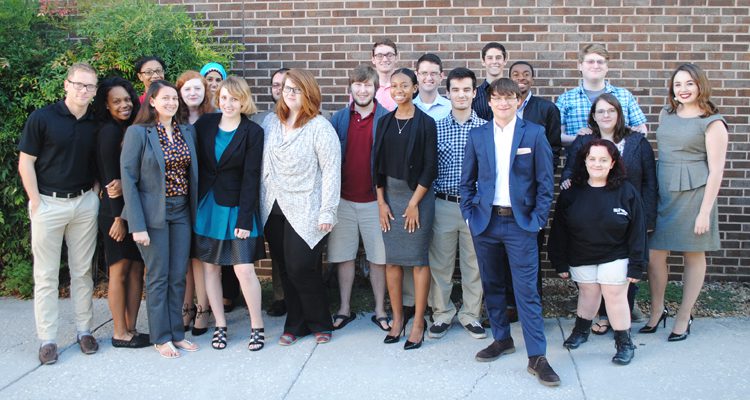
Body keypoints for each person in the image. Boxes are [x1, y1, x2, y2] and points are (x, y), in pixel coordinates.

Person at [459, 78, 559, 386]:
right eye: (498, 98)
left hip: (521, 224)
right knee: (492, 284)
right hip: (485, 222)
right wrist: (469, 216)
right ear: (489, 102)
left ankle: (537, 356)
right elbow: (467, 181)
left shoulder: (534, 133)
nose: (503, 103)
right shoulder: (478, 135)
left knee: (526, 290)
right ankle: (502, 339)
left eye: (509, 97)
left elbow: (545, 182)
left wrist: (538, 219)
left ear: (518, 101)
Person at [18, 63, 101, 365]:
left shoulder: (96, 122)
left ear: (95, 91)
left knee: (82, 271)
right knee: (46, 274)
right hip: (48, 203)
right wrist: (35, 201)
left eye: (90, 86)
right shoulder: (42, 118)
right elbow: (26, 162)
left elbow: (99, 160)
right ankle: (48, 339)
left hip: (84, 203)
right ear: (66, 85)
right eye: (79, 84)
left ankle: (84, 330)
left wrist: (94, 193)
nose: (83, 90)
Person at [561, 93, 657, 334]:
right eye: (601, 111)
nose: (606, 115)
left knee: (622, 273)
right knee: (592, 276)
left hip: (627, 215)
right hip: (594, 215)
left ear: (619, 114)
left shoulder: (637, 141)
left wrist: (647, 218)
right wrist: (566, 182)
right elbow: (571, 170)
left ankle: (618, 319)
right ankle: (598, 316)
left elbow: (650, 182)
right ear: (593, 115)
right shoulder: (584, 141)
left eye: (611, 110)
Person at [645, 63, 728, 341]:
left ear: (700, 85)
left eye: (689, 83)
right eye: (678, 84)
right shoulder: (666, 113)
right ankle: (657, 310)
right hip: (664, 189)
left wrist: (705, 212)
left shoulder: (712, 122)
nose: (683, 89)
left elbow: (716, 171)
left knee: (693, 254)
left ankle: (684, 315)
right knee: (655, 253)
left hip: (695, 194)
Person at [260, 69, 341, 346]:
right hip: (273, 207)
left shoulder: (320, 127)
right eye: (286, 89)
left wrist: (328, 210)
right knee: (285, 268)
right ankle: (295, 324)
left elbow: (331, 171)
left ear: (309, 93)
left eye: (296, 89)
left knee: (301, 267)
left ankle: (320, 321)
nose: (290, 94)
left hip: (307, 206)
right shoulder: (271, 122)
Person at [121, 80, 200, 358]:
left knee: (178, 276)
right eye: (165, 98)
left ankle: (177, 333)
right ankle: (161, 336)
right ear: (152, 101)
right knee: (158, 276)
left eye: (174, 98)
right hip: (152, 213)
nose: (171, 102)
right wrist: (137, 225)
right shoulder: (138, 133)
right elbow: (128, 180)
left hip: (181, 212)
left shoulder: (186, 131)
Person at [549, 139, 645, 365]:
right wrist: (560, 262)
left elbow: (638, 231)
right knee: (588, 294)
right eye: (592, 159)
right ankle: (581, 331)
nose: (597, 164)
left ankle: (624, 343)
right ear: (584, 161)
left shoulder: (627, 192)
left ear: (612, 163)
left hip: (616, 255)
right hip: (581, 255)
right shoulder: (571, 193)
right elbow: (559, 231)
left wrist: (637, 264)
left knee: (614, 295)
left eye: (603, 160)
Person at [193, 76, 267, 351]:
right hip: (208, 207)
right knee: (210, 267)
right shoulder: (205, 124)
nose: (228, 103)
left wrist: (245, 219)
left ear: (243, 100)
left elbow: (251, 177)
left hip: (237, 207)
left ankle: (257, 326)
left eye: (234, 99)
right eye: (224, 98)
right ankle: (220, 325)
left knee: (243, 269)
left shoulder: (253, 132)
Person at [374, 68, 437, 350]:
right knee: (392, 261)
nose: (398, 90)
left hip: (418, 199)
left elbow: (430, 167)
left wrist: (414, 204)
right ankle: (398, 319)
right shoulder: (384, 122)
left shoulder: (426, 123)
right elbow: (376, 164)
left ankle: (419, 323)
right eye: (394, 85)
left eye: (404, 85)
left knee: (419, 261)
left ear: (414, 88)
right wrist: (381, 202)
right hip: (389, 197)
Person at [328, 65, 391, 331]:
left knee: (378, 258)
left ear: (375, 88)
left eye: (367, 85)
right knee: (344, 256)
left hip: (375, 201)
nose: (362, 90)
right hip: (343, 200)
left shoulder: (386, 118)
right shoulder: (339, 119)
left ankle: (380, 310)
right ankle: (344, 309)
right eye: (358, 84)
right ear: (350, 88)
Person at [428, 67, 487, 340]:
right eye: (455, 90)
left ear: (474, 93)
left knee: (474, 264)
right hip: (444, 203)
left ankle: (471, 314)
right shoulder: (435, 128)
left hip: (475, 206)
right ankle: (442, 313)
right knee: (440, 263)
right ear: (448, 93)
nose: (461, 95)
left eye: (466, 90)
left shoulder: (485, 129)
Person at [503, 60, 563, 322]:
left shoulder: (546, 109)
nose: (521, 78)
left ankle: (532, 309)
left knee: (530, 256)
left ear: (533, 79)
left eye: (526, 74)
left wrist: (539, 182)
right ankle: (509, 305)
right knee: (504, 255)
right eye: (516, 74)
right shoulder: (501, 107)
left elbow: (554, 149)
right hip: (503, 195)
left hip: (530, 196)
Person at [92, 77, 150, 349]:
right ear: (106, 104)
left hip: (133, 209)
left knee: (136, 270)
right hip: (116, 213)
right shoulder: (109, 132)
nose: (124, 104)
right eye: (116, 101)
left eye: (127, 99)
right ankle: (119, 332)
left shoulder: (132, 128)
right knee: (120, 270)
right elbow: (109, 180)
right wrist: (119, 218)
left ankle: (131, 328)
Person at [176, 70, 213, 335]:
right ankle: (185, 307)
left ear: (205, 91)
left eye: (197, 88)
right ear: (179, 92)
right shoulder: (173, 119)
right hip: (179, 194)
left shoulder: (213, 118)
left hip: (205, 194)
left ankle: (203, 308)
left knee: (201, 255)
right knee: (185, 254)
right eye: (187, 89)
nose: (192, 93)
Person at [251, 67, 289, 317]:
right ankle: (280, 296)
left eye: (286, 84)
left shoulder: (313, 118)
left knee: (301, 253)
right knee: (277, 251)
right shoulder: (262, 121)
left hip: (298, 198)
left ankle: (304, 297)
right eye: (276, 85)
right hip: (271, 198)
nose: (281, 89)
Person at [556, 43, 647, 147]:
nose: (595, 66)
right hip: (579, 156)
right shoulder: (566, 99)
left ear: (607, 67)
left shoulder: (624, 96)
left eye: (600, 62)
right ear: (580, 66)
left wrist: (632, 134)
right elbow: (557, 136)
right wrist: (579, 139)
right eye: (590, 62)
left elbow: (642, 129)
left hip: (620, 156)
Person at [472, 42, 508, 121]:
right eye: (490, 58)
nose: (494, 61)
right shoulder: (474, 95)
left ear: (505, 61)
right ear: (483, 61)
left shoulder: (513, 93)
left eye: (498, 57)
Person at [413, 53, 451, 121]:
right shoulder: (407, 107)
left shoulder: (450, 108)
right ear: (417, 75)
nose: (429, 78)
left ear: (441, 76)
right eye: (424, 73)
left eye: (433, 73)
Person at [370, 38, 399, 111]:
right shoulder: (365, 88)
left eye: (389, 55)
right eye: (379, 55)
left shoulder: (405, 87)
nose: (385, 59)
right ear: (373, 59)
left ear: (396, 58)